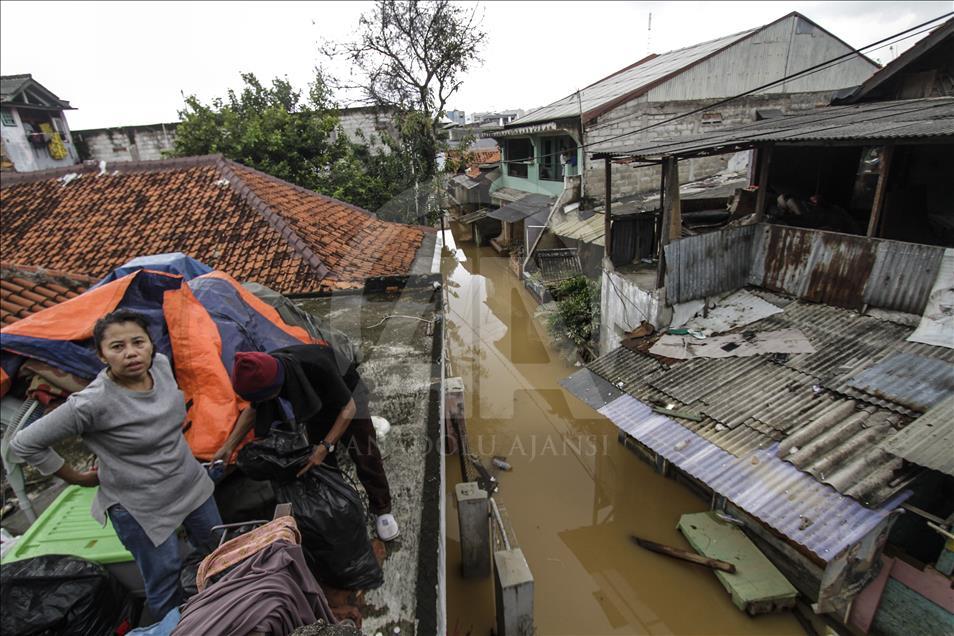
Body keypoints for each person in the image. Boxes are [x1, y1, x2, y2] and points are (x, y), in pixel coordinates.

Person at [11, 309, 222, 620]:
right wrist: (78, 478)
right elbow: (24, 443)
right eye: (117, 347)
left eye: (138, 342)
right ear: (102, 355)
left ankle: (229, 611)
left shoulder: (161, 367)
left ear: (152, 345)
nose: (131, 353)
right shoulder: (92, 403)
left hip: (189, 483)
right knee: (165, 583)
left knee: (222, 553)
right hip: (140, 505)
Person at [214, 344, 399, 541]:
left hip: (350, 398)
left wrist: (327, 445)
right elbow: (253, 410)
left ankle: (382, 509)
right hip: (317, 406)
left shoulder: (315, 365)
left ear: (274, 388)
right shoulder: (264, 371)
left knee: (365, 454)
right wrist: (228, 447)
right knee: (320, 462)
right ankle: (338, 506)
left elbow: (349, 408)